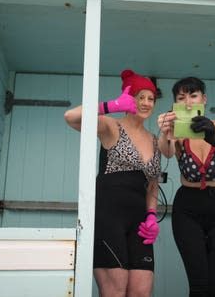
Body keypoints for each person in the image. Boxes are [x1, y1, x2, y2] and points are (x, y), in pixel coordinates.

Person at [64, 69, 162, 297]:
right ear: (129, 98)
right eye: (140, 97)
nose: (146, 103)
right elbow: (71, 117)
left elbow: (153, 185)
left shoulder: (154, 140)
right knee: (114, 291)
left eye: (151, 98)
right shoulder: (111, 126)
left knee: (141, 291)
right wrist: (110, 106)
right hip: (109, 218)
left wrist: (151, 216)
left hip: (139, 224)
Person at [156, 77, 215, 297]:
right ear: (176, 103)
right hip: (188, 209)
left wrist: (211, 134)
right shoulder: (178, 133)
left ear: (204, 98)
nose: (189, 102)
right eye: (181, 98)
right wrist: (165, 133)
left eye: (193, 95)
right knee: (199, 286)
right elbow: (166, 152)